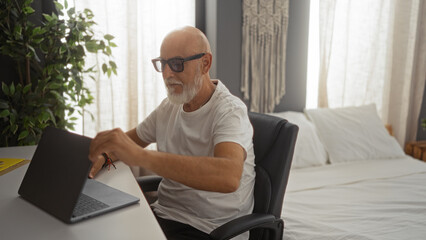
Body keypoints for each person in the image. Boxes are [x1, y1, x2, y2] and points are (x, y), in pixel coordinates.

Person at [88, 26, 255, 240]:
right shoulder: (169, 107)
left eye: (176, 64)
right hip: (165, 217)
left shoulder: (230, 112)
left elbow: (228, 177)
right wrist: (103, 158)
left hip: (209, 229)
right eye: (163, 64)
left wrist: (141, 156)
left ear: (205, 63)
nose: (167, 74)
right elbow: (127, 144)